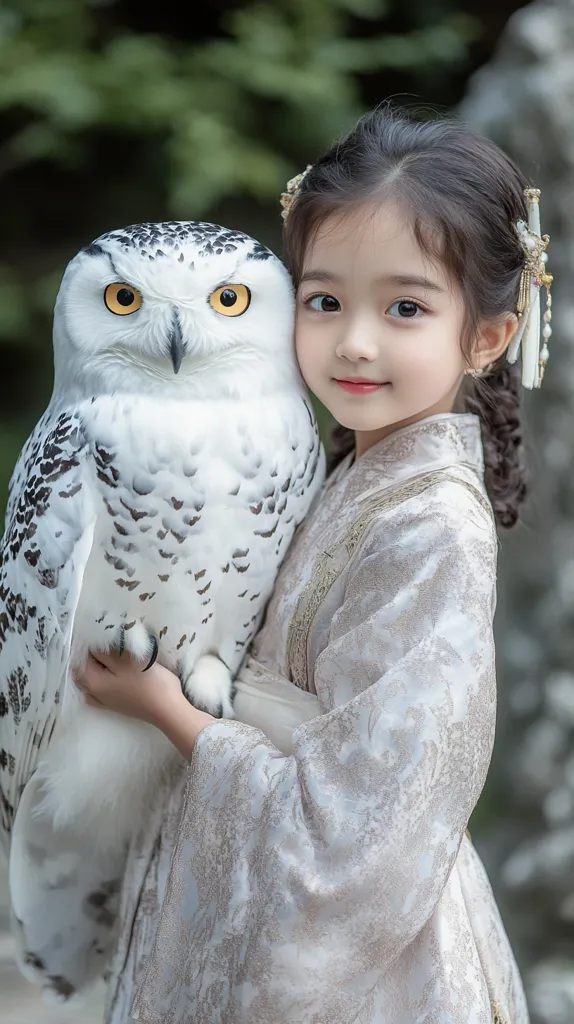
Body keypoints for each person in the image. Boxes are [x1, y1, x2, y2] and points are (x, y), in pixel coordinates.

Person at [76, 106, 553, 1022]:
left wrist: (168, 712)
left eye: (405, 307)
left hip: (366, 958)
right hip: (243, 889)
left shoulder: (434, 534)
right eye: (324, 299)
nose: (355, 341)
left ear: (488, 336)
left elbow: (351, 840)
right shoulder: (340, 470)